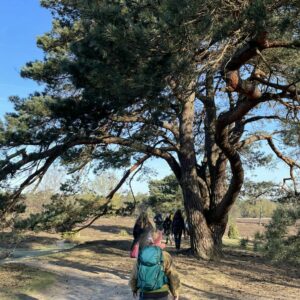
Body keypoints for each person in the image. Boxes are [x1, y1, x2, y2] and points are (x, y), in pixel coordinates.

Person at [129, 230, 180, 300]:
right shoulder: (165, 255)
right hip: (162, 293)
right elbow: (172, 275)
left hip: (145, 293)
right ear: (160, 240)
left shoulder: (141, 255)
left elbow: (134, 274)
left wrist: (134, 288)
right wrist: (175, 292)